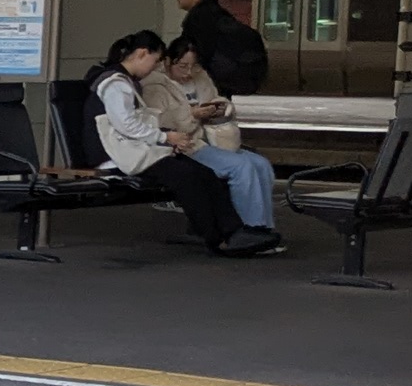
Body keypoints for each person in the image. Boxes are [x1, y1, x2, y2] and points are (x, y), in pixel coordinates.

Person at [90, 31, 276, 255]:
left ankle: (234, 231)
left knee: (203, 173)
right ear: (141, 54)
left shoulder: (125, 81)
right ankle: (216, 238)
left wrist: (165, 138)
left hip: (139, 148)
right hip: (120, 154)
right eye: (156, 60)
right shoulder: (115, 84)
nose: (156, 66)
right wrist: (166, 137)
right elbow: (126, 124)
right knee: (187, 177)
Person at [143, 42, 278, 230]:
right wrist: (192, 115)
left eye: (194, 65)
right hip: (187, 145)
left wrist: (219, 109)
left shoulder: (201, 77)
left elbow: (214, 100)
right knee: (241, 167)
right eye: (182, 66)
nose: (189, 72)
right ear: (167, 62)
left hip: (213, 139)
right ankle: (249, 229)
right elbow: (159, 121)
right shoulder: (155, 86)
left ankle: (265, 227)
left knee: (261, 165)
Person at [176, 0, 268, 96]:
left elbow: (200, 53)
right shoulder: (218, 13)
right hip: (249, 72)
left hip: (228, 74)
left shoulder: (198, 17)